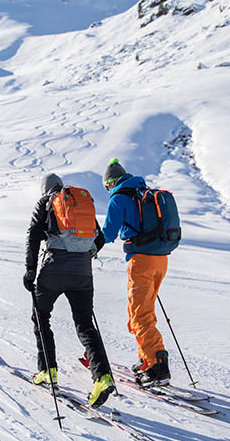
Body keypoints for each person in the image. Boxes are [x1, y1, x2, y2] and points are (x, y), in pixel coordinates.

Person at [24, 173, 115, 407]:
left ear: (44, 189)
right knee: (85, 324)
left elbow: (33, 237)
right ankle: (102, 378)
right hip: (83, 274)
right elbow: (101, 238)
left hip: (53, 271)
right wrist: (84, 253)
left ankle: (48, 370)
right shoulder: (77, 201)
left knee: (41, 317)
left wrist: (30, 273)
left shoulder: (45, 202)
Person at [101, 158, 171, 387]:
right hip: (160, 259)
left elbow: (108, 233)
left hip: (141, 261)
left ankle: (157, 367)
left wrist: (89, 248)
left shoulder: (119, 198)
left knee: (139, 315)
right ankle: (146, 360)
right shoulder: (143, 192)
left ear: (111, 183)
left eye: (105, 187)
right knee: (142, 312)